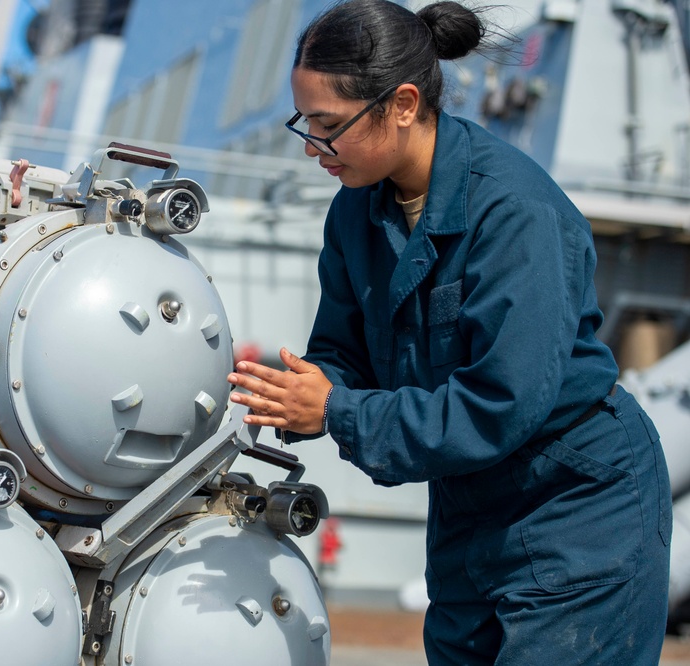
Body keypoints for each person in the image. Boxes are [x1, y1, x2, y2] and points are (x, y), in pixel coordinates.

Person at [225, 1, 673, 663]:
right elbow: (344, 355)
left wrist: (337, 409)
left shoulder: (513, 209)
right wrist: (292, 396)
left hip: (577, 505)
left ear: (402, 104)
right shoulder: (356, 213)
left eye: (328, 125)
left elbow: (502, 402)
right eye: (304, 124)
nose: (314, 146)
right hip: (470, 512)